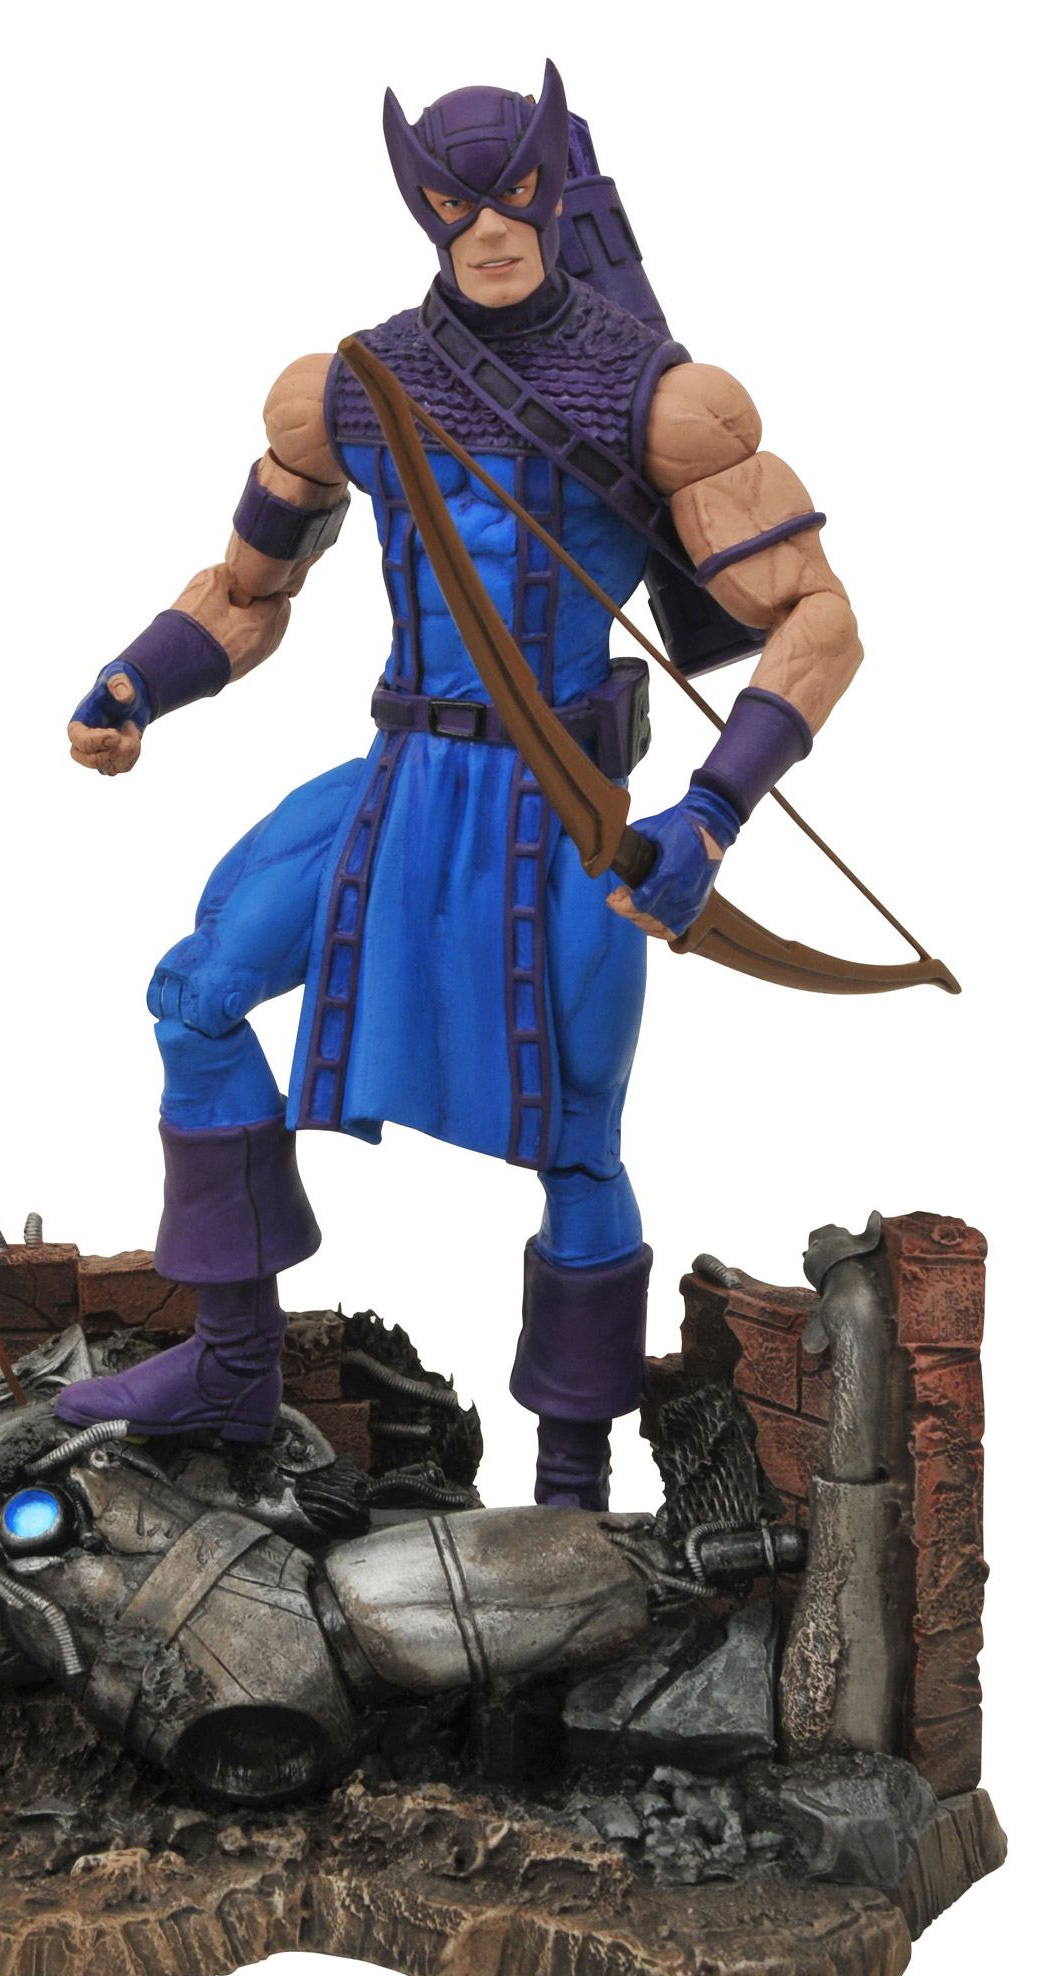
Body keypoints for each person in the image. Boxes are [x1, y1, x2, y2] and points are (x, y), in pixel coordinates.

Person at [52, 62, 857, 1511]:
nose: (487, 229)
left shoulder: (671, 406)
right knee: (198, 992)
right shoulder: (343, 392)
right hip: (400, 787)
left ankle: (571, 1487)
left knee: (580, 1142)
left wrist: (710, 814)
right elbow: (248, 587)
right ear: (417, 204)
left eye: (515, 195)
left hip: (565, 814)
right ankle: (231, 1365)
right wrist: (137, 683)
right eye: (454, 202)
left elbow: (818, 621)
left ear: (554, 188)